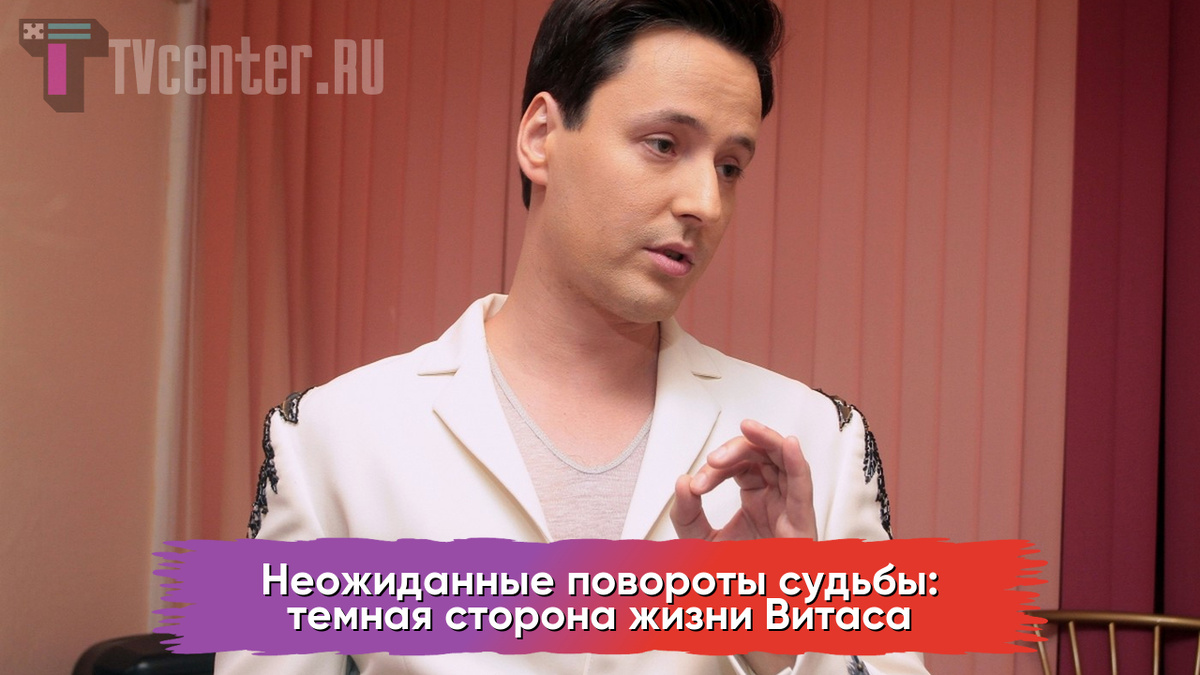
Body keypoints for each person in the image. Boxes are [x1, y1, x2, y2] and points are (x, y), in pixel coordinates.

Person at [216, 1, 930, 673]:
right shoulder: (330, 438)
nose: (705, 204)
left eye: (729, 167)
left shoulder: (818, 444)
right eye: (663, 144)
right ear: (541, 138)